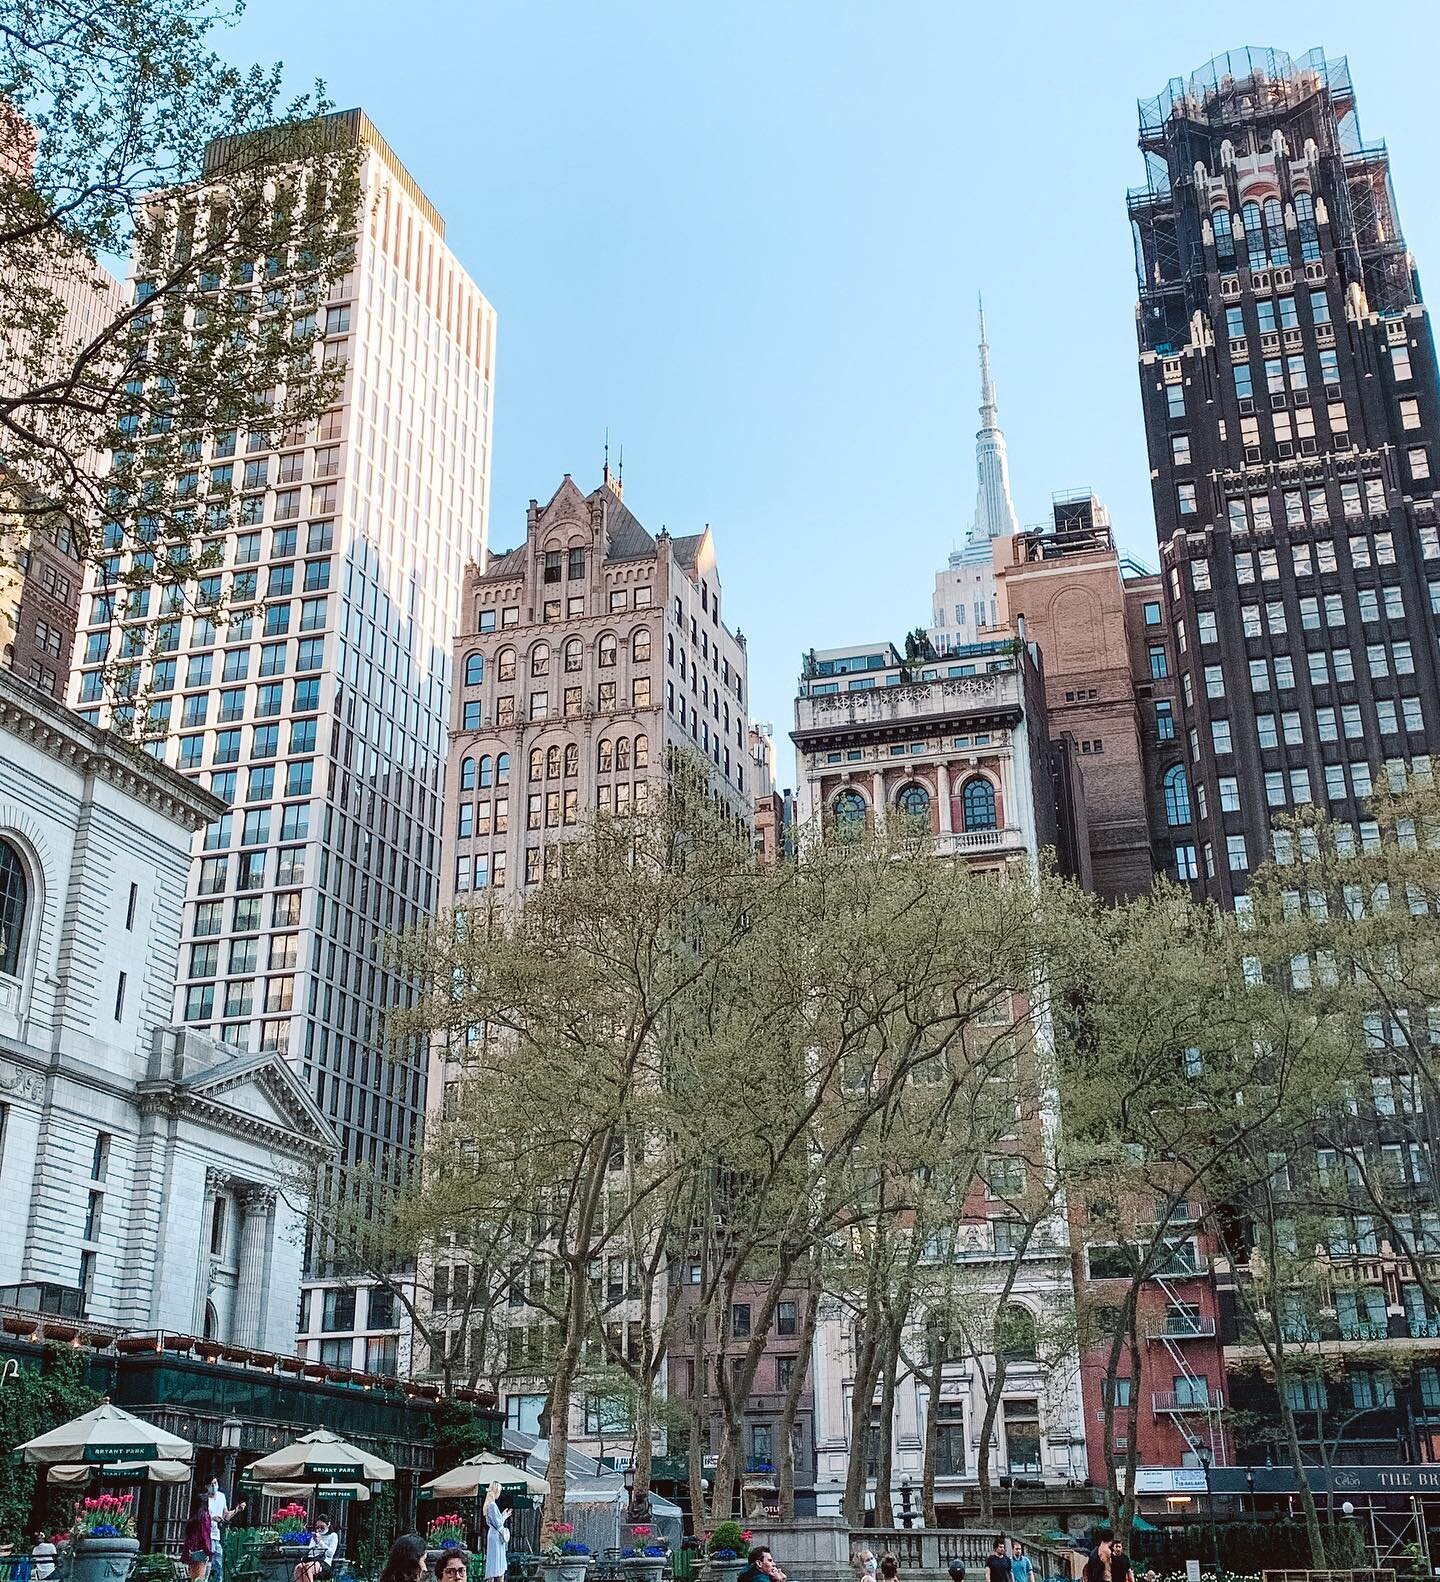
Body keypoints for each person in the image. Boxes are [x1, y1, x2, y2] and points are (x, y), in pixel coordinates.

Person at [205, 1477, 244, 1582]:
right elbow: (200, 1517)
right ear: (206, 1486)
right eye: (211, 1484)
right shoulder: (204, 1499)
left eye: (215, 1483)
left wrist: (237, 1510)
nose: (214, 1486)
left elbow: (226, 1516)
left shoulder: (221, 1497)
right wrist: (212, 1518)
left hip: (216, 1535)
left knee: (218, 1566)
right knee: (207, 1566)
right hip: (206, 1536)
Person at [294, 1516, 340, 1582]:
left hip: (324, 1562)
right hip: (312, 1559)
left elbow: (330, 1554)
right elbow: (310, 1551)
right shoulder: (315, 1536)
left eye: (322, 1527)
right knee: (299, 1568)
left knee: (307, 1568)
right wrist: (315, 1542)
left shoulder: (333, 1536)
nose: (319, 1529)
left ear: (328, 1524)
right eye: (317, 1527)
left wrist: (320, 1542)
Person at [482, 1480, 509, 1582]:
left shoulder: (489, 1505)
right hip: (496, 1536)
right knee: (497, 1561)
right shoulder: (492, 1505)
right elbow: (498, 1523)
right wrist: (504, 1516)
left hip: (493, 1534)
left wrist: (502, 1515)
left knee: (494, 1561)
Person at [185, 1495, 215, 1582]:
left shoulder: (192, 1518)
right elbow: (205, 1535)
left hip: (192, 1551)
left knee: (194, 1578)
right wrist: (208, 1551)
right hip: (202, 1551)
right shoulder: (204, 1516)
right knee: (200, 1578)